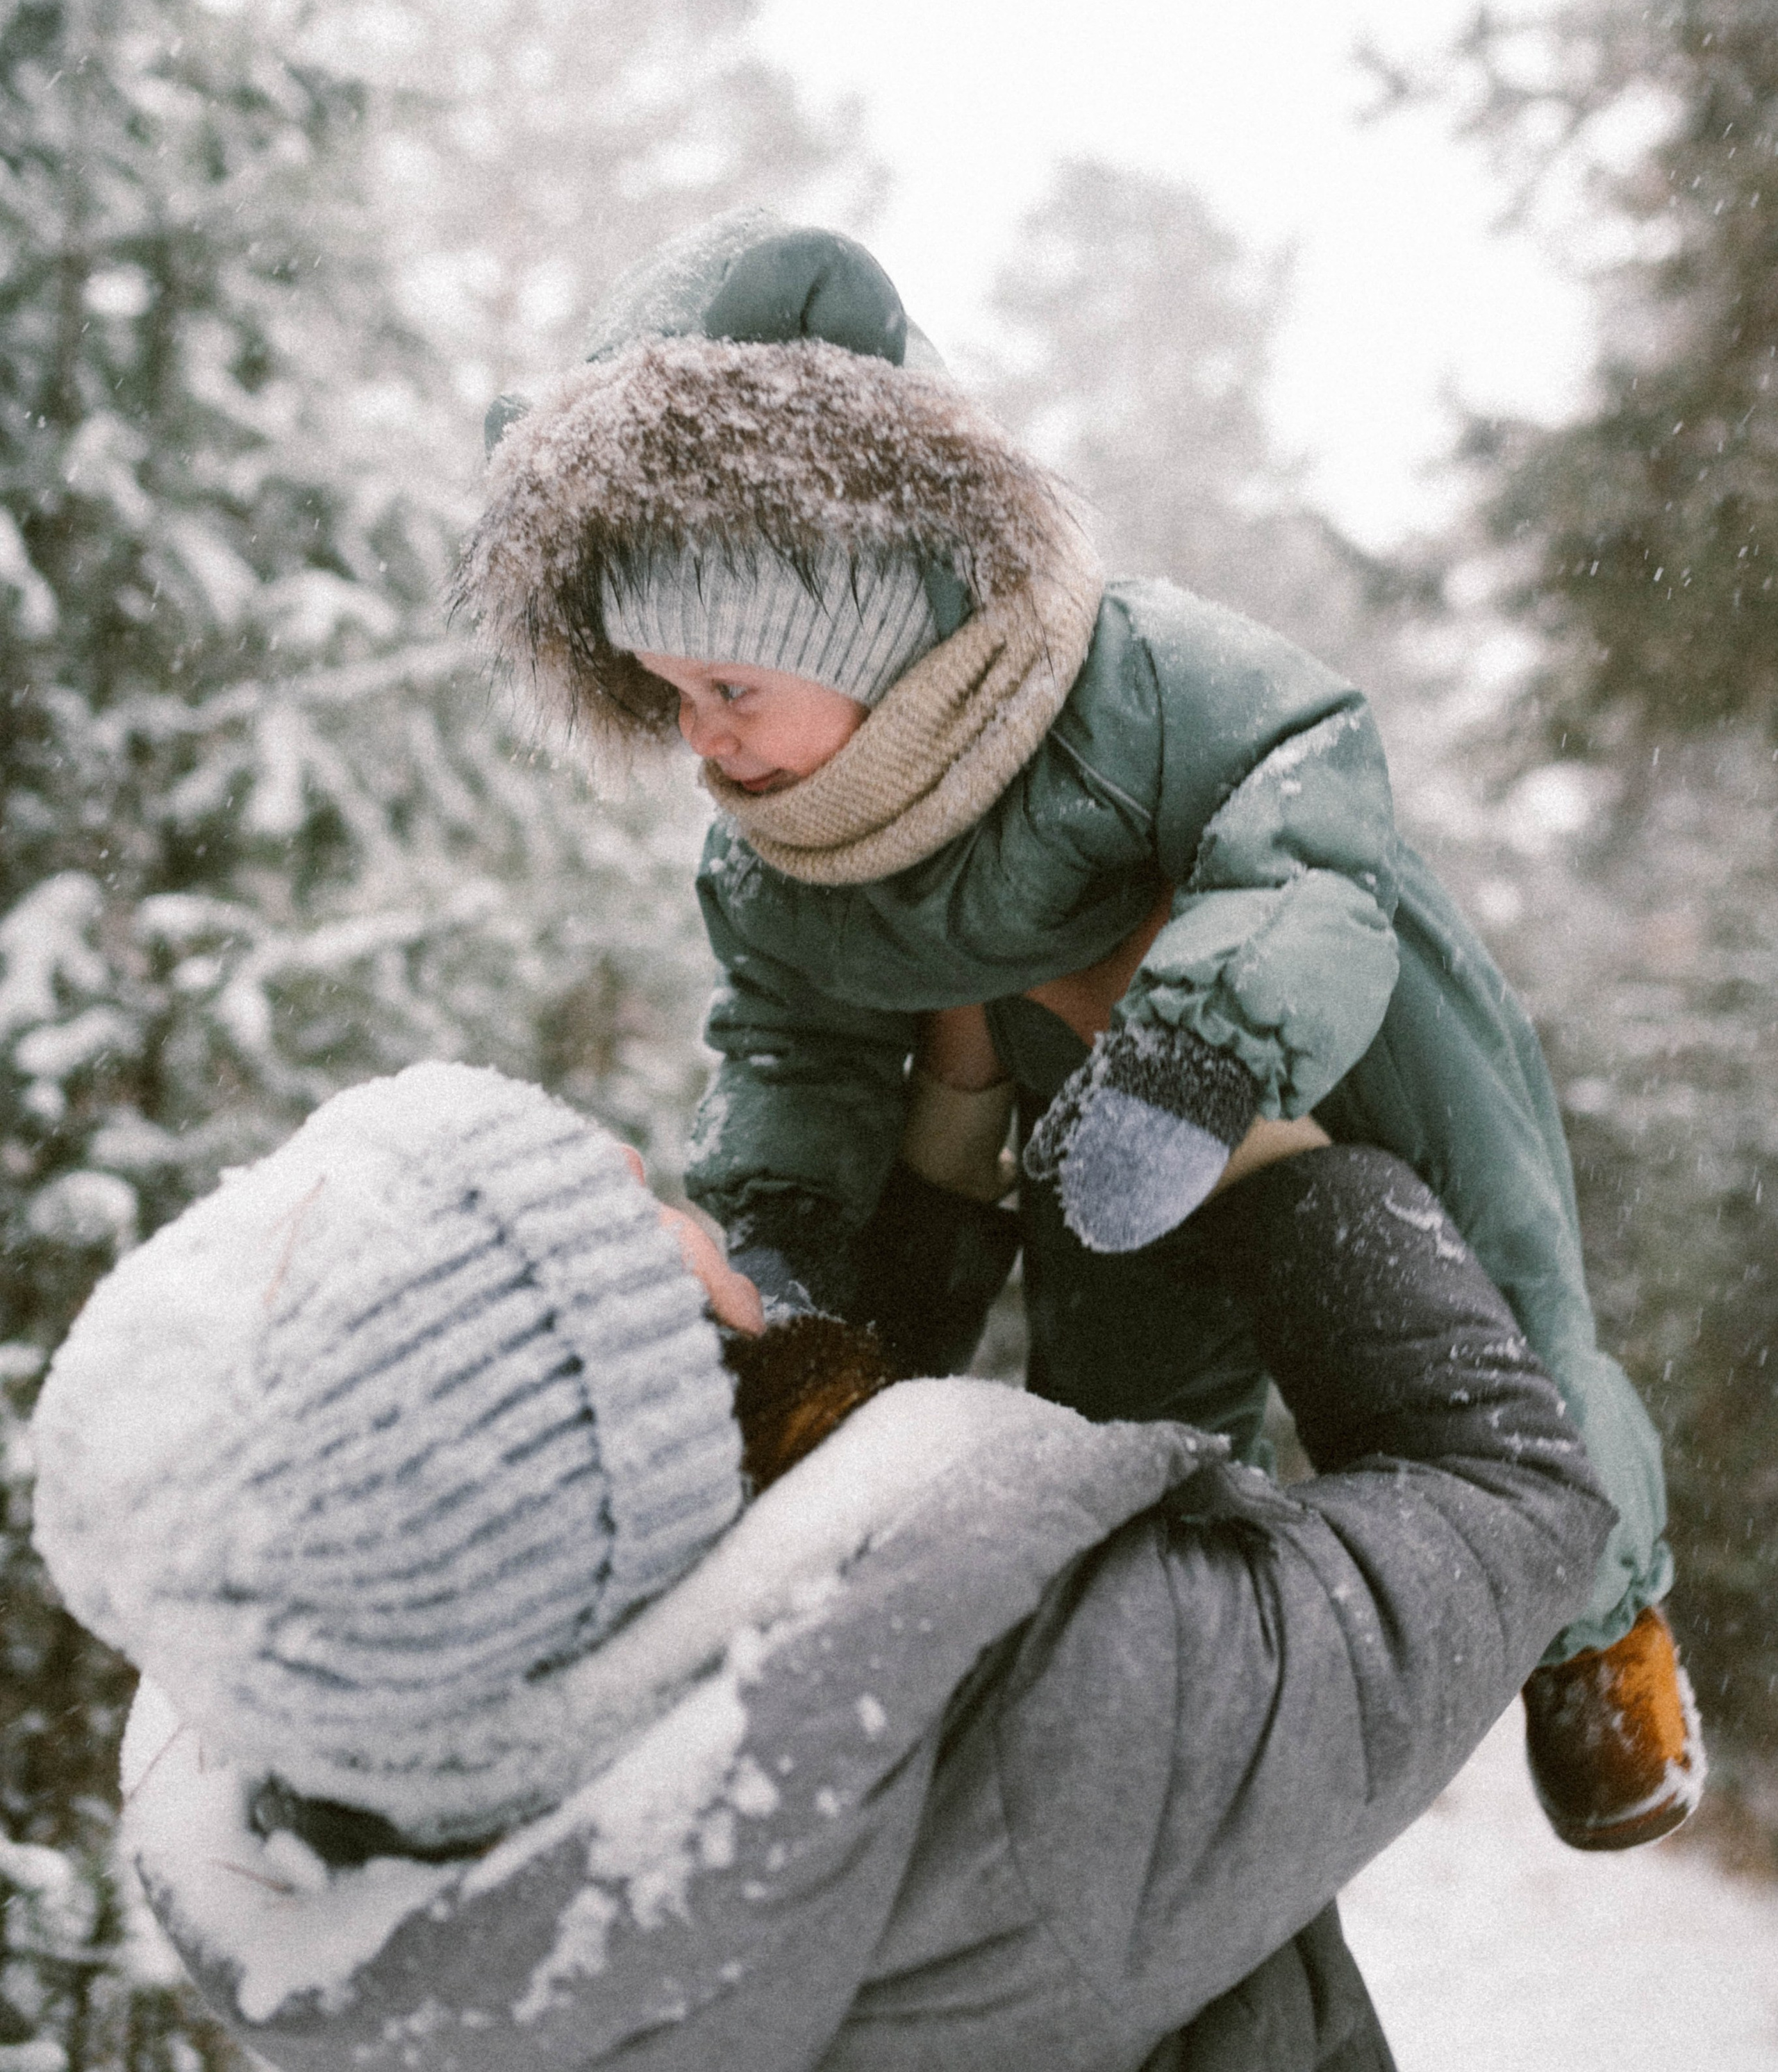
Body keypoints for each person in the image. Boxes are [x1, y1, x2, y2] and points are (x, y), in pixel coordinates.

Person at [457, 210, 1700, 1853]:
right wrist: (786, 1253)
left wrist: (1194, 1056)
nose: (701, 739)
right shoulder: (776, 859)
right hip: (1075, 1125)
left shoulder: (1139, 684)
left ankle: (1596, 1608)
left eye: (729, 687)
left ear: (855, 617)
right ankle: (1184, 1672)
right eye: (665, 693)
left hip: (1345, 1037)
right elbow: (792, 1058)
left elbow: (1310, 833)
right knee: (1123, 1398)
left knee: (1492, 1312)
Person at [33, 1061, 1617, 2072]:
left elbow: (779, 1531)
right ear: (650, 1414)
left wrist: (945, 1141)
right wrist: (1264, 1158)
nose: (668, 1201)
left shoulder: (343, 1765)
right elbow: (1515, 1494)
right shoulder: (1073, 1737)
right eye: (637, 1241)